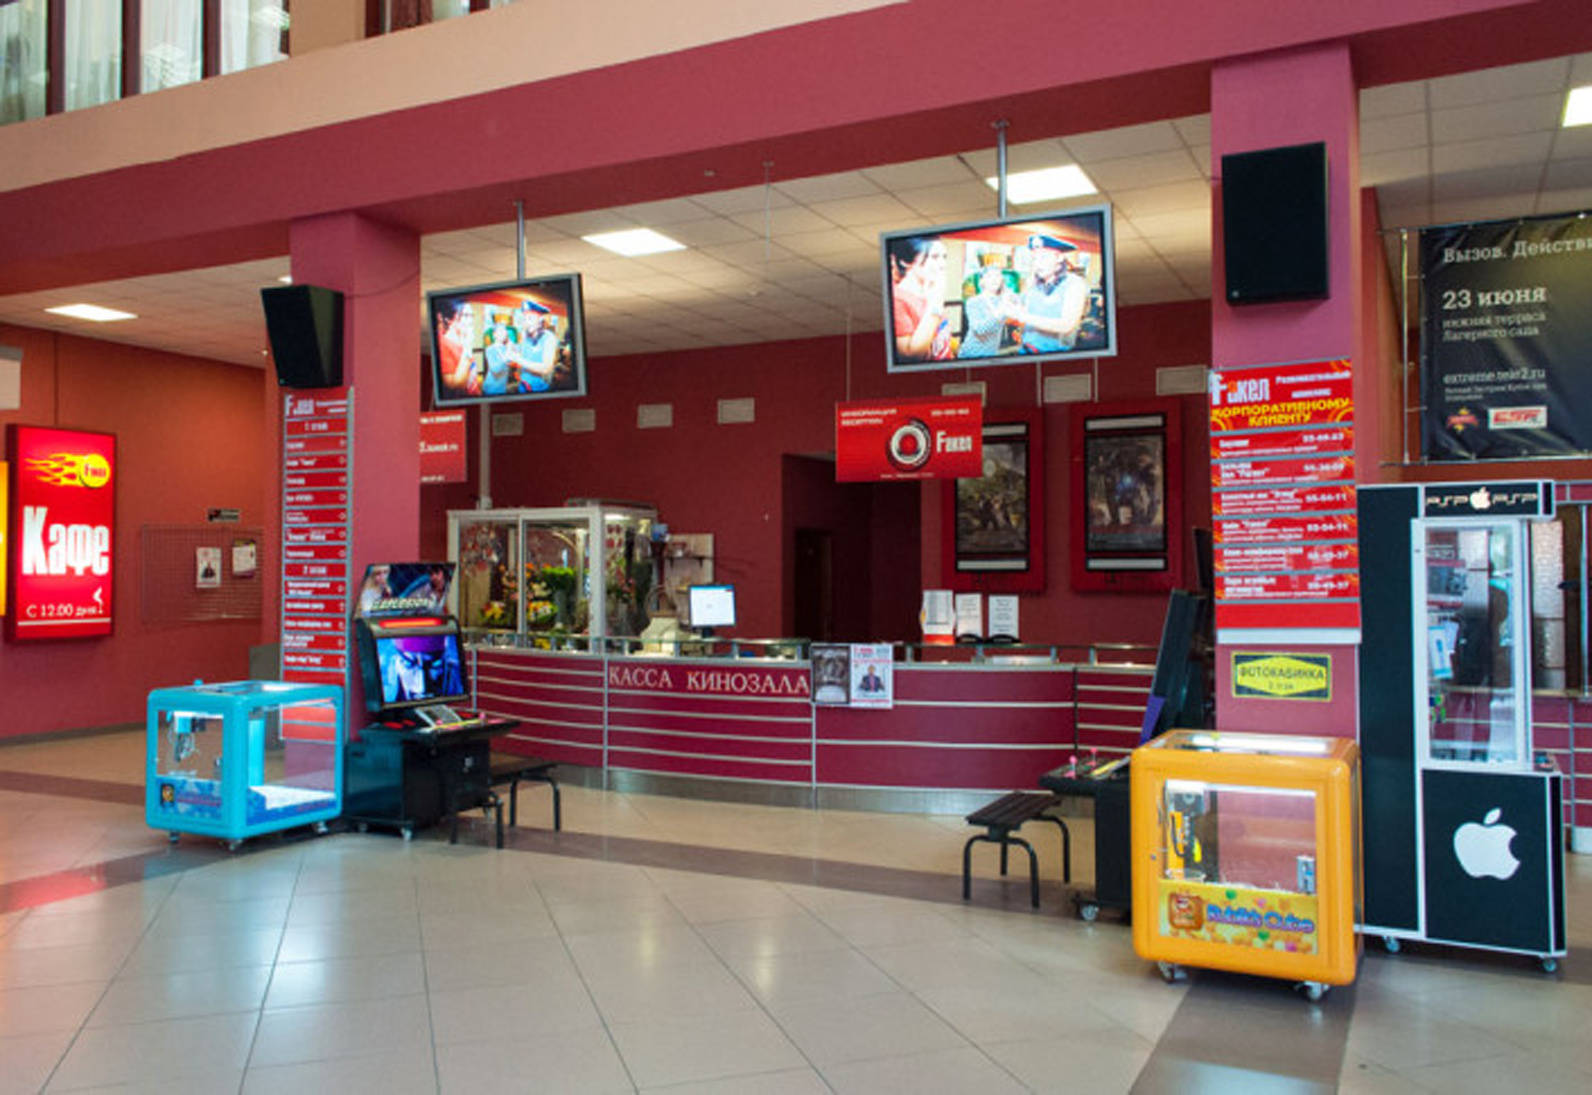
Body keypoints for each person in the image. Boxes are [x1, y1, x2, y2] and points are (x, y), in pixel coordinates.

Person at [1017, 234, 1091, 355]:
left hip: (1055, 357)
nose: (1037, 264)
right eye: (1034, 259)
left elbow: (1066, 325)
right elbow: (1022, 309)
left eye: (1043, 258)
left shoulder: (1075, 284)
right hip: (1025, 353)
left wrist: (1023, 316)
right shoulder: (1033, 284)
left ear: (1059, 257)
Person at [887, 236, 953, 362]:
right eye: (934, 257)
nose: (942, 265)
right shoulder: (897, 299)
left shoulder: (931, 290)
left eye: (944, 257)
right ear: (906, 261)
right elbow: (911, 355)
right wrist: (936, 303)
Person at [958, 266, 1013, 358]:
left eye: (997, 276)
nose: (994, 279)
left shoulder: (1002, 300)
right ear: (981, 281)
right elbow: (979, 329)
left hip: (991, 355)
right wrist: (1001, 308)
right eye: (989, 276)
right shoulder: (973, 302)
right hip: (970, 356)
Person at [514, 300, 560, 392]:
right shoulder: (525, 336)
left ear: (540, 319)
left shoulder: (549, 338)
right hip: (522, 386)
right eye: (524, 319)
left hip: (539, 389)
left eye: (530, 318)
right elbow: (520, 353)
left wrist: (519, 360)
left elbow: (546, 368)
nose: (527, 323)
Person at [480, 319, 520, 397]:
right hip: (490, 390)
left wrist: (511, 344)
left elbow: (520, 352)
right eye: (501, 331)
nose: (504, 333)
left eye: (505, 331)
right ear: (494, 335)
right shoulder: (490, 349)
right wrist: (508, 352)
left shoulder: (507, 348)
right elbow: (496, 370)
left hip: (502, 390)